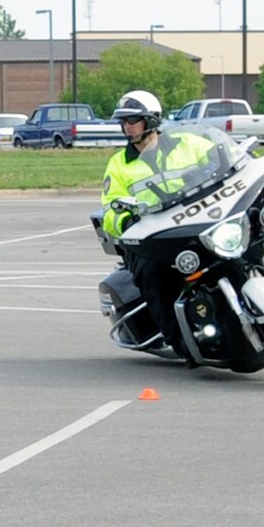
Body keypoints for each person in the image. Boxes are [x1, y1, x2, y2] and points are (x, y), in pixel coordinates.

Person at [99, 90, 220, 366]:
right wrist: (125, 221)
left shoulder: (187, 143)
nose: (127, 126)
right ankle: (183, 344)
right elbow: (109, 208)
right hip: (153, 235)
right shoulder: (119, 163)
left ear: (151, 120)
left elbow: (225, 158)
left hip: (197, 218)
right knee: (150, 273)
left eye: (133, 120)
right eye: (124, 121)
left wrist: (243, 162)